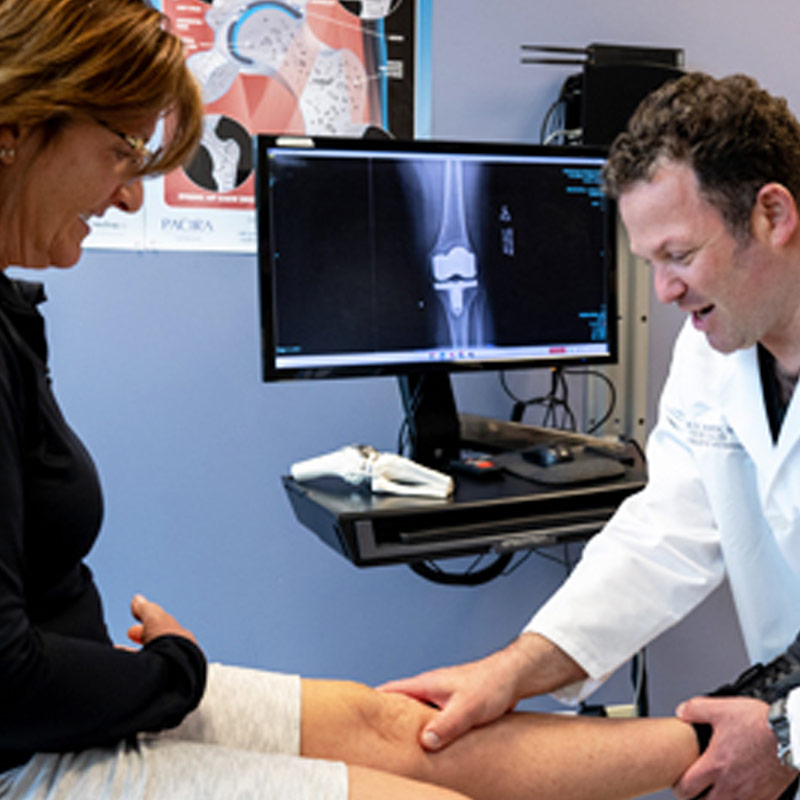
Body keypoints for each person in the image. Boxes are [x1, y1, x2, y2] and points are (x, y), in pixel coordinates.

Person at [0, 1, 715, 799]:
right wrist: (174, 677)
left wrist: (772, 727)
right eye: (122, 149)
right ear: (18, 130)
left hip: (89, 700)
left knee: (391, 724)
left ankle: (722, 744)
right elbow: (6, 681)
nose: (131, 194)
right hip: (41, 743)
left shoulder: (12, 315)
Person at [382, 71, 800, 800]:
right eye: (649, 265)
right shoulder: (718, 354)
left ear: (772, 212)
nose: (664, 293)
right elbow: (663, 534)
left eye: (679, 255)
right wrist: (512, 669)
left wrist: (789, 734)